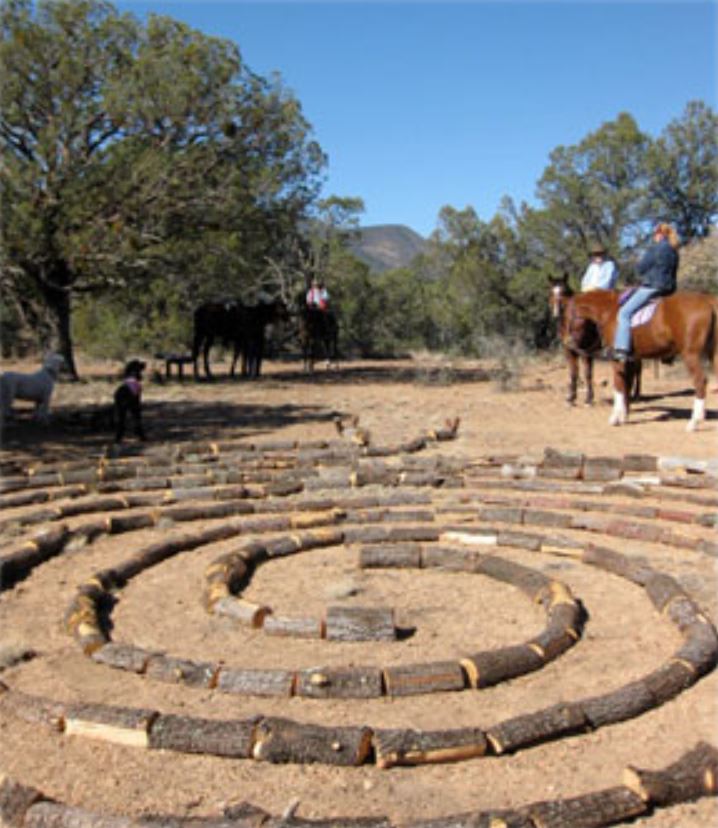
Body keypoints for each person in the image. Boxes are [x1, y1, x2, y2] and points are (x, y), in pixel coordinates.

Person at [612, 222, 679, 362]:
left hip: (653, 287)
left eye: (655, 234)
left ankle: (622, 349)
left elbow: (641, 268)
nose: (654, 237)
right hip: (670, 289)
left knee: (624, 313)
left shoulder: (656, 249)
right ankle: (668, 354)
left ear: (659, 234)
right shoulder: (674, 251)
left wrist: (636, 269)